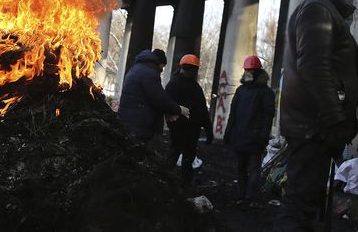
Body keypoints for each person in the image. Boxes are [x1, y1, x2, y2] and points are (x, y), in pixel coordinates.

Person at [276, 0, 358, 230]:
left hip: (313, 125)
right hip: (313, 126)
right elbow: (315, 67)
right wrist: (335, 119)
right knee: (300, 204)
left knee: (306, 203)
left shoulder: (325, 10)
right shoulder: (318, 10)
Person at [224, 55, 276, 208]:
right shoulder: (262, 92)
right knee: (248, 168)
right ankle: (246, 196)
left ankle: (245, 196)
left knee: (247, 168)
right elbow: (233, 114)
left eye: (250, 70)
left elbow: (267, 116)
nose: (248, 72)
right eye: (247, 70)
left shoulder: (247, 91)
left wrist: (229, 133)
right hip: (249, 137)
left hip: (246, 137)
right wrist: (263, 136)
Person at [118, 49, 190, 150]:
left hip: (129, 122)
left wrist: (168, 112)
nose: (162, 69)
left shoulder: (136, 68)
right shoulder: (149, 73)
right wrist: (179, 109)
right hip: (139, 126)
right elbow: (159, 99)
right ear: (159, 63)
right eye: (163, 66)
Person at [165, 54, 214, 185]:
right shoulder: (193, 87)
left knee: (176, 155)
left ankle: (168, 181)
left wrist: (208, 131)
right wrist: (208, 131)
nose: (192, 72)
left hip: (183, 128)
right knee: (183, 157)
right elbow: (203, 111)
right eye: (191, 69)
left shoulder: (174, 84)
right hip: (187, 129)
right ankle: (181, 184)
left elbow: (203, 111)